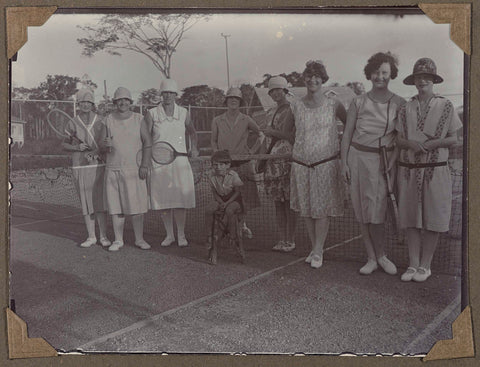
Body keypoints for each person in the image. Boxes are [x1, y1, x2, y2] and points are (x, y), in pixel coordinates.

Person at [395, 58, 461, 282]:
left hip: (435, 170)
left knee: (433, 217)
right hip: (410, 170)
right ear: (413, 81)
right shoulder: (406, 107)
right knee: (411, 218)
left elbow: (454, 138)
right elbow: (398, 139)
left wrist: (432, 144)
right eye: (418, 77)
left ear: (433, 80)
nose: (422, 80)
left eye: (426, 77)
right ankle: (413, 264)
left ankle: (425, 265)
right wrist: (411, 144)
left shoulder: (446, 105)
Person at [340, 52, 406, 275]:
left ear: (391, 75)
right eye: (376, 72)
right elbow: (347, 135)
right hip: (357, 159)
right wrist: (344, 164)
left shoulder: (399, 102)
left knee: (377, 212)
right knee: (361, 211)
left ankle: (382, 255)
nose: (380, 76)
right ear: (370, 74)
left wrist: (393, 160)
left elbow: (400, 139)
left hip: (383, 162)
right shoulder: (358, 102)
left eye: (385, 72)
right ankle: (371, 258)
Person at [289, 60, 347, 268]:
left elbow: (349, 126)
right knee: (307, 208)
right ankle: (315, 249)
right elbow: (289, 131)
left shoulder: (334, 103)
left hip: (325, 164)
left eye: (317, 76)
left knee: (321, 209)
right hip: (301, 164)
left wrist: (343, 151)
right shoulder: (295, 104)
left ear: (323, 79)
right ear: (304, 78)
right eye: (309, 76)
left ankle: (318, 250)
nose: (312, 79)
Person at [146, 79, 198, 247]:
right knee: (164, 200)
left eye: (171, 93)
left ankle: (181, 235)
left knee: (179, 200)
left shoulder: (183, 112)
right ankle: (169, 235)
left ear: (176, 95)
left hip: (180, 162)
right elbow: (145, 137)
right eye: (165, 93)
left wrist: (194, 147)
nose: (167, 96)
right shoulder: (152, 113)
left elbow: (192, 132)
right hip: (159, 162)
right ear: (161, 95)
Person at [101, 87, 152, 251]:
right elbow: (101, 144)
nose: (122, 103)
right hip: (113, 168)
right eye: (119, 100)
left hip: (134, 169)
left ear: (130, 102)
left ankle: (139, 239)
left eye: (126, 100)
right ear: (115, 102)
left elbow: (147, 143)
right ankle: (118, 240)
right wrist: (105, 145)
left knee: (136, 206)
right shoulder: (107, 119)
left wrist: (144, 164)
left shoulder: (139, 119)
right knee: (116, 207)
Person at [211, 87, 262, 238]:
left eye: (236, 99)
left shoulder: (246, 119)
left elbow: (261, 135)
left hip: (243, 165)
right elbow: (213, 141)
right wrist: (218, 158)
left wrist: (252, 152)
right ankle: (224, 227)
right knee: (223, 197)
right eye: (230, 98)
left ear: (240, 102)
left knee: (244, 198)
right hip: (223, 166)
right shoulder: (217, 120)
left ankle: (243, 225)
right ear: (226, 101)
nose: (233, 100)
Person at [62, 88, 110, 248]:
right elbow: (64, 144)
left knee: (99, 202)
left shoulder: (102, 120)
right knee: (86, 202)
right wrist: (77, 148)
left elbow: (106, 144)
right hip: (80, 167)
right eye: (82, 102)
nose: (85, 105)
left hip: (99, 165)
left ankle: (103, 236)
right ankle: (91, 237)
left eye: (88, 102)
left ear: (92, 104)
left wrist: (97, 152)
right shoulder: (72, 122)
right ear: (79, 104)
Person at [260, 76, 297, 252]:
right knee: (278, 203)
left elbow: (292, 137)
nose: (275, 93)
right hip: (272, 163)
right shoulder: (271, 111)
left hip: (287, 161)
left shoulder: (293, 109)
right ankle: (282, 238)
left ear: (285, 90)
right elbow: (266, 137)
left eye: (278, 90)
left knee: (289, 202)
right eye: (272, 90)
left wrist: (272, 132)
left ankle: (291, 239)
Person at [205, 150, 244, 244]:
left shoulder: (233, 175)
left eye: (221, 165)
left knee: (229, 210)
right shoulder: (211, 175)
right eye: (215, 165)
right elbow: (214, 193)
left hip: (234, 200)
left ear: (228, 165)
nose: (218, 167)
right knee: (209, 209)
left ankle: (233, 236)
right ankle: (209, 235)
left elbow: (237, 192)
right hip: (220, 199)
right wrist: (221, 202)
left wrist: (227, 203)